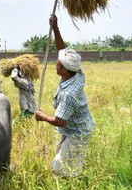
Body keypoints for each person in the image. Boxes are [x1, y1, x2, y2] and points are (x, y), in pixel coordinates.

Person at [35, 15, 94, 177]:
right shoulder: (75, 72)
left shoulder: (69, 94)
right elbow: (62, 50)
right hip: (73, 129)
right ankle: (72, 184)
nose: (56, 63)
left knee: (59, 167)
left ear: (64, 70)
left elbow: (60, 121)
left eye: (58, 63)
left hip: (77, 132)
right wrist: (55, 28)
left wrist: (42, 116)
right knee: (69, 163)